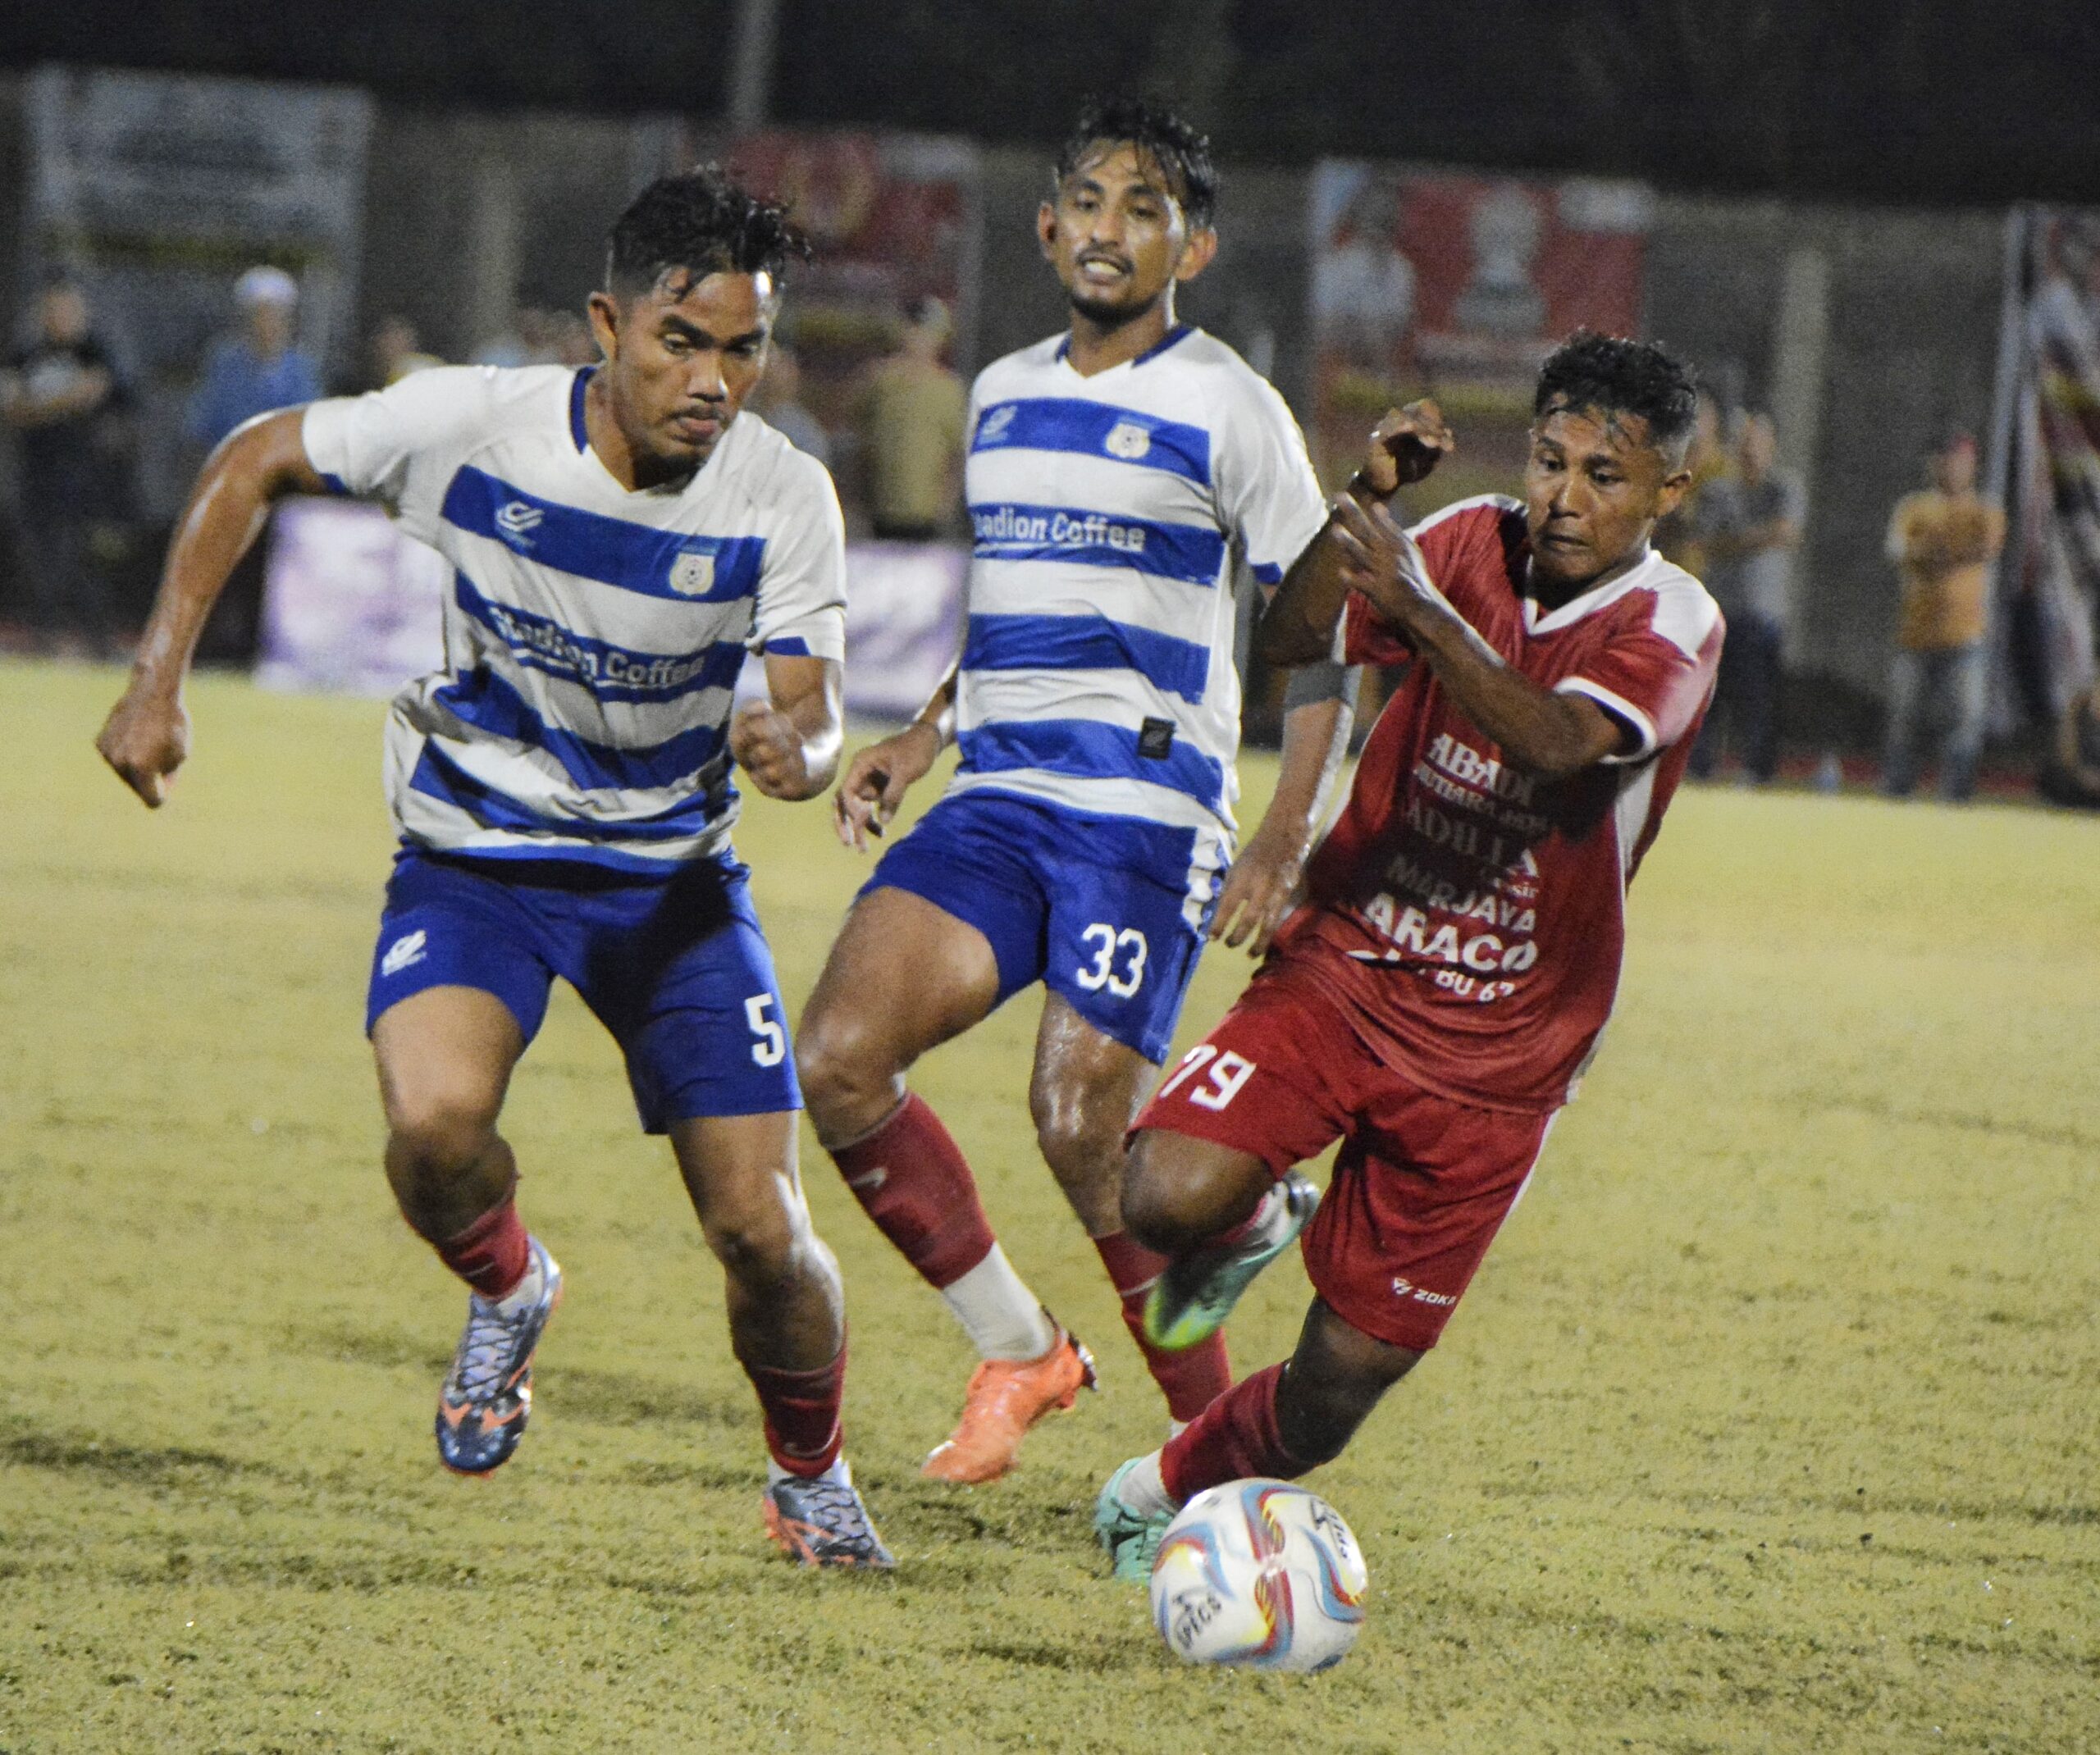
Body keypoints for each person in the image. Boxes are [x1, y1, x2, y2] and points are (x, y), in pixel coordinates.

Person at [94, 170, 892, 1568]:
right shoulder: (474, 426)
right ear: (606, 324)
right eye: (683, 342)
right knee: (434, 1132)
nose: (717, 381)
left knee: (762, 1234)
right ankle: (510, 1287)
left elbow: (816, 710)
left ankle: (812, 1476)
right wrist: (158, 682)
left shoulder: (784, 493)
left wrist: (800, 751)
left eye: (746, 347)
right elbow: (254, 458)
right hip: (479, 861)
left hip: (673, 890)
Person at [793, 98, 1360, 1485]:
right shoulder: (999, 394)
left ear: (1196, 245)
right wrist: (923, 733)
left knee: (1077, 1122)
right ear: (1048, 227)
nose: (1111, 230)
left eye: (1146, 207)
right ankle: (1023, 1347)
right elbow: (1011, 614)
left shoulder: (1229, 403)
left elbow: (1326, 638)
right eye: (1089, 204)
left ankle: (1217, 1460)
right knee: (838, 1061)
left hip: (1145, 810)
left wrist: (1285, 840)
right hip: (997, 795)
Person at [1093, 332, 1723, 1579]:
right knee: (1161, 1197)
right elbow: (1291, 643)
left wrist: (1419, 604)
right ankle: (1261, 1212)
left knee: (1336, 1390)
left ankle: (1168, 1483)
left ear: (1668, 496)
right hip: (1351, 962)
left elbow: (1552, 740)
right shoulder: (1466, 537)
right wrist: (1365, 509)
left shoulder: (1673, 620)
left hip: (1503, 1055)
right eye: (1550, 461)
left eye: (1606, 474)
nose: (1564, 496)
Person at [2, 276, 130, 654]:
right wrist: (61, 402)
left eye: (68, 309)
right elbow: (11, 405)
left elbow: (93, 390)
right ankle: (45, 637)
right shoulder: (26, 353)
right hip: (36, 472)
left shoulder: (95, 351)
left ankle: (99, 641)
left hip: (85, 476)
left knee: (80, 559)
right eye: (54, 309)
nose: (61, 317)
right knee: (38, 557)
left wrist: (38, 404)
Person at [1882, 432, 2006, 802]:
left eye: (1958, 460)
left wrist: (1935, 551)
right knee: (1904, 719)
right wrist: (1950, 552)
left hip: (1966, 635)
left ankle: (1955, 796)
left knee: (1965, 721)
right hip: (1916, 634)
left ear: (1972, 466)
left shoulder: (1985, 509)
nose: (1950, 468)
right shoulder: (1914, 508)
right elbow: (1902, 552)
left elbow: (1985, 548)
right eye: (1944, 459)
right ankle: (1897, 792)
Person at [1687, 410, 1799, 784]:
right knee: (1708, 698)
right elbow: (1704, 540)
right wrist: (1757, 538)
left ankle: (1757, 772)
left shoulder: (1783, 488)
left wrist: (1733, 542)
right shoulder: (1717, 490)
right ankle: (1700, 770)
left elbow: (1786, 532)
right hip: (1719, 611)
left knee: (1759, 698)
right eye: (1746, 443)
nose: (1751, 451)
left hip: (1763, 614)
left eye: (1759, 443)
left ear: (1772, 447)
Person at [853, 294, 967, 539]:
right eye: (914, 330)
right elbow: (861, 441)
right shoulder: (881, 381)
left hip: (926, 515)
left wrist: (944, 504)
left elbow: (957, 454)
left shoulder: (948, 389)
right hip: (881, 510)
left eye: (927, 332)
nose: (918, 339)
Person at [185, 266, 324, 449]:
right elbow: (200, 427)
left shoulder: (301, 369)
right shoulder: (225, 364)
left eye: (276, 317)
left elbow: (310, 432)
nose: (267, 326)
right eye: (259, 316)